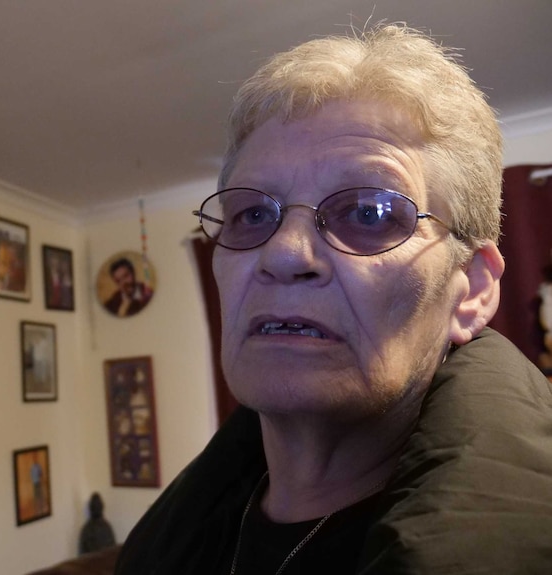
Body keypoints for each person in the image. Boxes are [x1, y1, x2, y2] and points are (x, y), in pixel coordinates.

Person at [116, 23, 552, 574]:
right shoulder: (163, 544)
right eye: (253, 214)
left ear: (474, 290)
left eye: (369, 213)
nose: (284, 254)